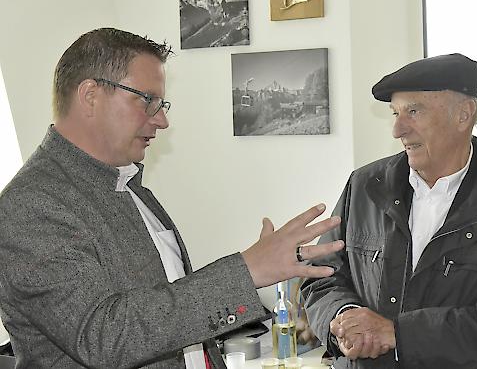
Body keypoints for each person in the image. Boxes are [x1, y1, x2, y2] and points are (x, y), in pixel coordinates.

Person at [0, 27, 344, 369]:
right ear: (91, 95)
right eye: (146, 100)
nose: (162, 120)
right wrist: (247, 270)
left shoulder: (130, 185)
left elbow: (175, 323)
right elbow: (105, 337)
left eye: (161, 103)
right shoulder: (31, 205)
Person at [302, 53, 477, 368]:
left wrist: (398, 335)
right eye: (395, 113)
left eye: (413, 111)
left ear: (464, 115)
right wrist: (343, 318)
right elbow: (321, 276)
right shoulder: (365, 186)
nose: (397, 129)